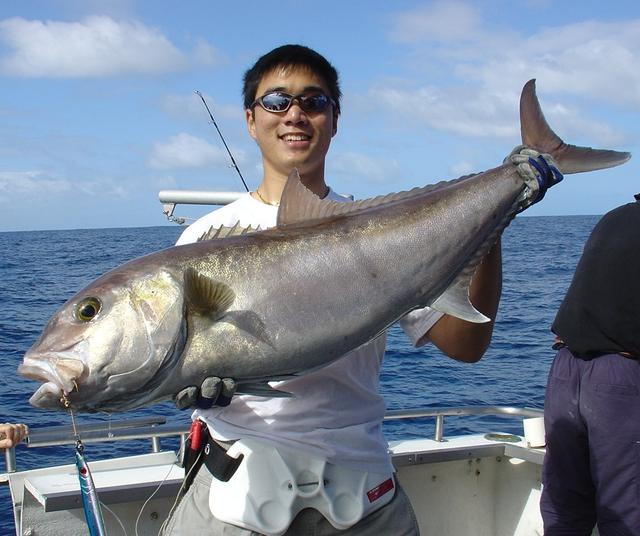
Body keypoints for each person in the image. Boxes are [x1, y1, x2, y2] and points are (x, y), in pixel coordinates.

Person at [162, 44, 555, 536]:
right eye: (277, 101)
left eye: (314, 101)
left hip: (361, 490)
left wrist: (491, 218)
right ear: (250, 119)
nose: (295, 114)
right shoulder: (201, 242)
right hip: (235, 494)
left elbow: (466, 344)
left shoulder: (383, 231)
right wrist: (186, 381)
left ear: (335, 119)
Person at [540, 195, 640, 535]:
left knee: (565, 509)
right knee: (628, 513)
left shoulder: (613, 218)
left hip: (567, 371)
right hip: (620, 380)